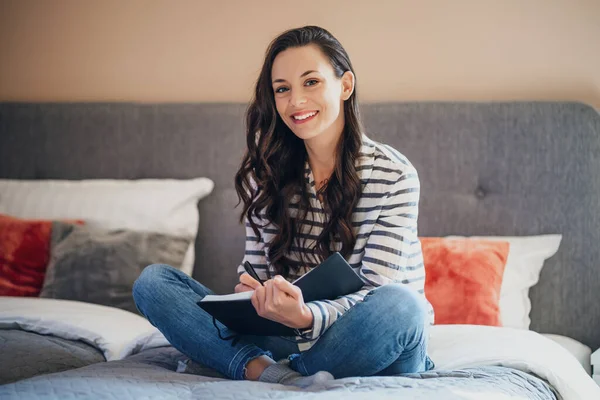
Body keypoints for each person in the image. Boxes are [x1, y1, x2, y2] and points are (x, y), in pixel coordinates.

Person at [133, 25, 435, 388]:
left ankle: (255, 368)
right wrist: (250, 298)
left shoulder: (394, 175)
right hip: (287, 338)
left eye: (311, 82)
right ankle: (280, 375)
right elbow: (257, 274)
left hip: (368, 339)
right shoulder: (267, 176)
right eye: (282, 89)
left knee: (403, 306)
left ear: (345, 85)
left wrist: (306, 316)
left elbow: (374, 290)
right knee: (153, 283)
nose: (296, 102)